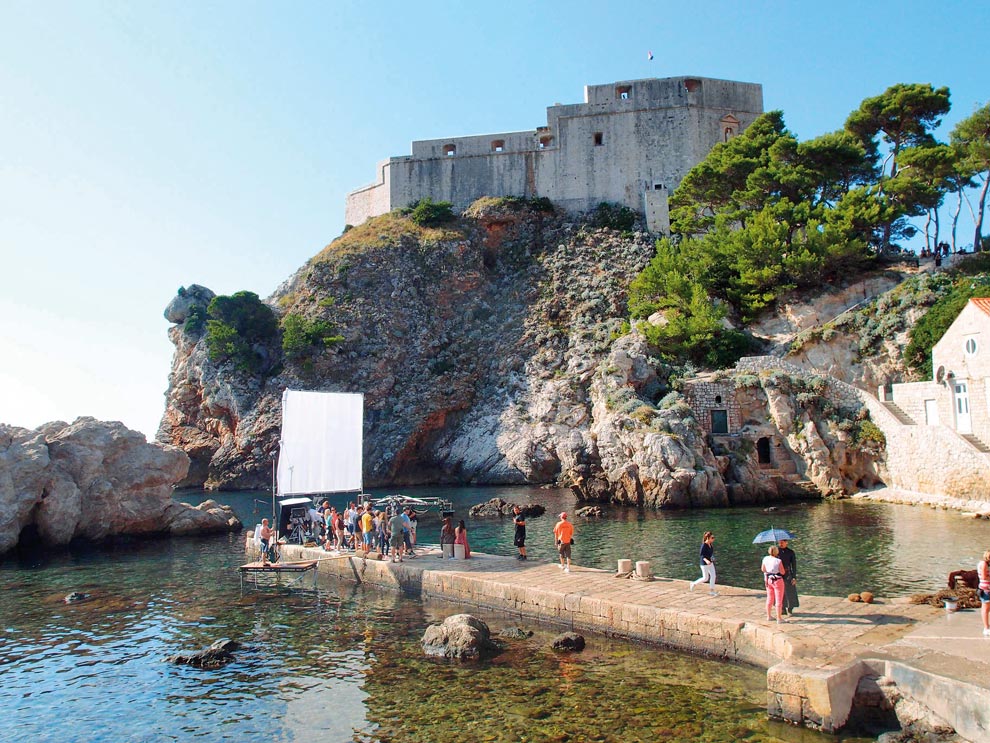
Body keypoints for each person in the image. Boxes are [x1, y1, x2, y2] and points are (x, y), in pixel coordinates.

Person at [762, 545, 787, 623]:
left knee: (769, 598)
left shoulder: (765, 558)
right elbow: (782, 572)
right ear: (777, 552)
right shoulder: (778, 561)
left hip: (769, 579)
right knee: (779, 599)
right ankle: (779, 618)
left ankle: (768, 616)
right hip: (777, 580)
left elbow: (763, 569)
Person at [777, 538, 799, 616]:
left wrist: (794, 577)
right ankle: (782, 608)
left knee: (790, 591)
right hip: (779, 574)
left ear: (786, 543)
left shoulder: (790, 552)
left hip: (788, 573)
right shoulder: (776, 552)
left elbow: (794, 565)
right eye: (779, 542)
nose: (781, 544)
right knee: (780, 592)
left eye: (782, 542)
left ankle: (790, 608)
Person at [979, 548, 990, 637]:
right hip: (986, 589)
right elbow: (983, 577)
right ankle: (986, 628)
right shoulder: (984, 564)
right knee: (986, 609)